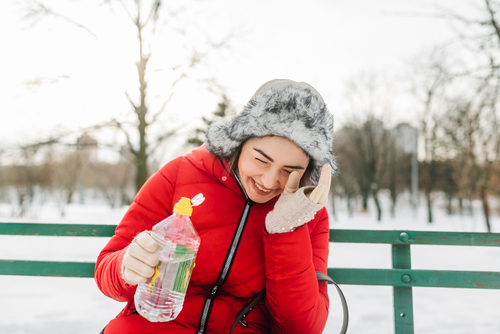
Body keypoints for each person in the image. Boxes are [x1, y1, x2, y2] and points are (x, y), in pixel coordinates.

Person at [95, 79, 338, 334]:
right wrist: (127, 265)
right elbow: (106, 272)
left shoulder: (310, 216)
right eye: (260, 160)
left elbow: (302, 329)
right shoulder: (179, 174)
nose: (268, 182)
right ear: (240, 140)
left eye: (289, 171)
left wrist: (287, 228)